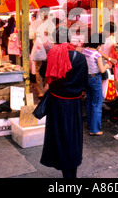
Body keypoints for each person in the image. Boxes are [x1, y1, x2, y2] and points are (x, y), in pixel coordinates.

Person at [39, 26, 88, 178]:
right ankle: (71, 171)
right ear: (69, 38)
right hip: (74, 104)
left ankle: (65, 170)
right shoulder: (79, 57)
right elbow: (84, 79)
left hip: (57, 104)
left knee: (59, 136)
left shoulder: (52, 54)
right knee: (73, 135)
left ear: (55, 38)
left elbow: (42, 73)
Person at [83, 33, 109, 136]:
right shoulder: (97, 55)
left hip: (86, 78)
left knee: (89, 101)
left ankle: (90, 124)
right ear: (98, 44)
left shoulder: (85, 50)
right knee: (97, 104)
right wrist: (106, 65)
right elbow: (102, 70)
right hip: (95, 78)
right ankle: (95, 130)